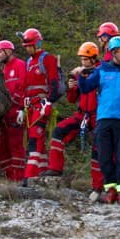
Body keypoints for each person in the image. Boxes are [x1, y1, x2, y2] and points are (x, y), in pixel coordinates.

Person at [73, 36, 120, 205]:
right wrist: (81, 77)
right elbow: (86, 88)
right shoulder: (102, 69)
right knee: (104, 158)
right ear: (114, 52)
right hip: (103, 119)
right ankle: (111, 190)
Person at [42, 42, 103, 199]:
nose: (83, 62)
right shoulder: (79, 73)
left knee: (99, 147)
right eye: (82, 59)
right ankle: (55, 168)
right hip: (82, 114)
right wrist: (71, 87)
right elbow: (71, 99)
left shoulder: (102, 71)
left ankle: (98, 186)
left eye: (86, 59)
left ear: (94, 58)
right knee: (59, 131)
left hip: (98, 115)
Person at [20, 28, 62, 183]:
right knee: (36, 140)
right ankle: (42, 172)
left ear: (36, 44)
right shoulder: (29, 62)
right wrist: (21, 108)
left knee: (34, 139)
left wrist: (49, 102)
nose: (26, 49)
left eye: (28, 46)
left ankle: (29, 175)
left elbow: (54, 83)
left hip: (42, 106)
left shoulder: (47, 59)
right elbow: (25, 86)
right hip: (30, 107)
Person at [0, 40, 27, 182]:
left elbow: (24, 87)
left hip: (16, 114)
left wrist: (21, 109)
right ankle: (10, 179)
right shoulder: (3, 70)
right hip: (5, 116)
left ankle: (19, 180)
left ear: (9, 51)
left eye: (0, 52)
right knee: (3, 149)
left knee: (16, 148)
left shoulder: (20, 65)